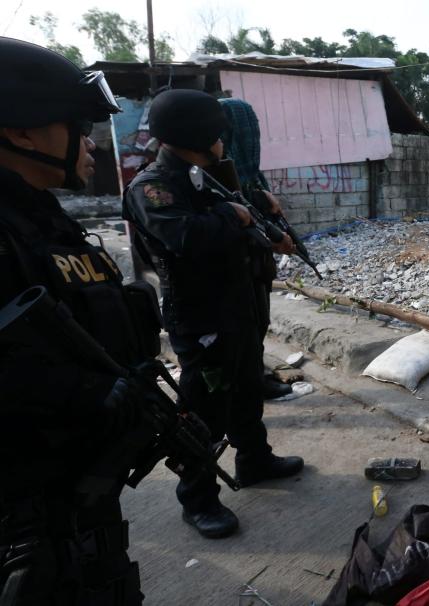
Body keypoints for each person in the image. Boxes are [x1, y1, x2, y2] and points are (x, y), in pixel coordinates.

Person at [0, 38, 150, 604]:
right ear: (20, 130)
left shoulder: (44, 219)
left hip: (73, 505)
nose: (90, 145)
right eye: (79, 127)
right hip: (23, 518)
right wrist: (88, 391)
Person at [123, 89, 303, 539]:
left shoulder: (208, 175)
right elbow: (185, 236)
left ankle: (254, 460)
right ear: (201, 136)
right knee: (201, 409)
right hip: (201, 318)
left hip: (238, 307)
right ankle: (198, 499)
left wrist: (263, 214)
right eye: (218, 134)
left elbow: (243, 217)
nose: (225, 143)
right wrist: (235, 217)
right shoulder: (155, 186)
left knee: (244, 389)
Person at [218, 97, 296, 401]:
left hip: (255, 266)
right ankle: (249, 384)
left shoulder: (248, 176)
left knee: (257, 324)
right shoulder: (216, 176)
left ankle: (255, 377)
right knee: (241, 333)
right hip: (233, 270)